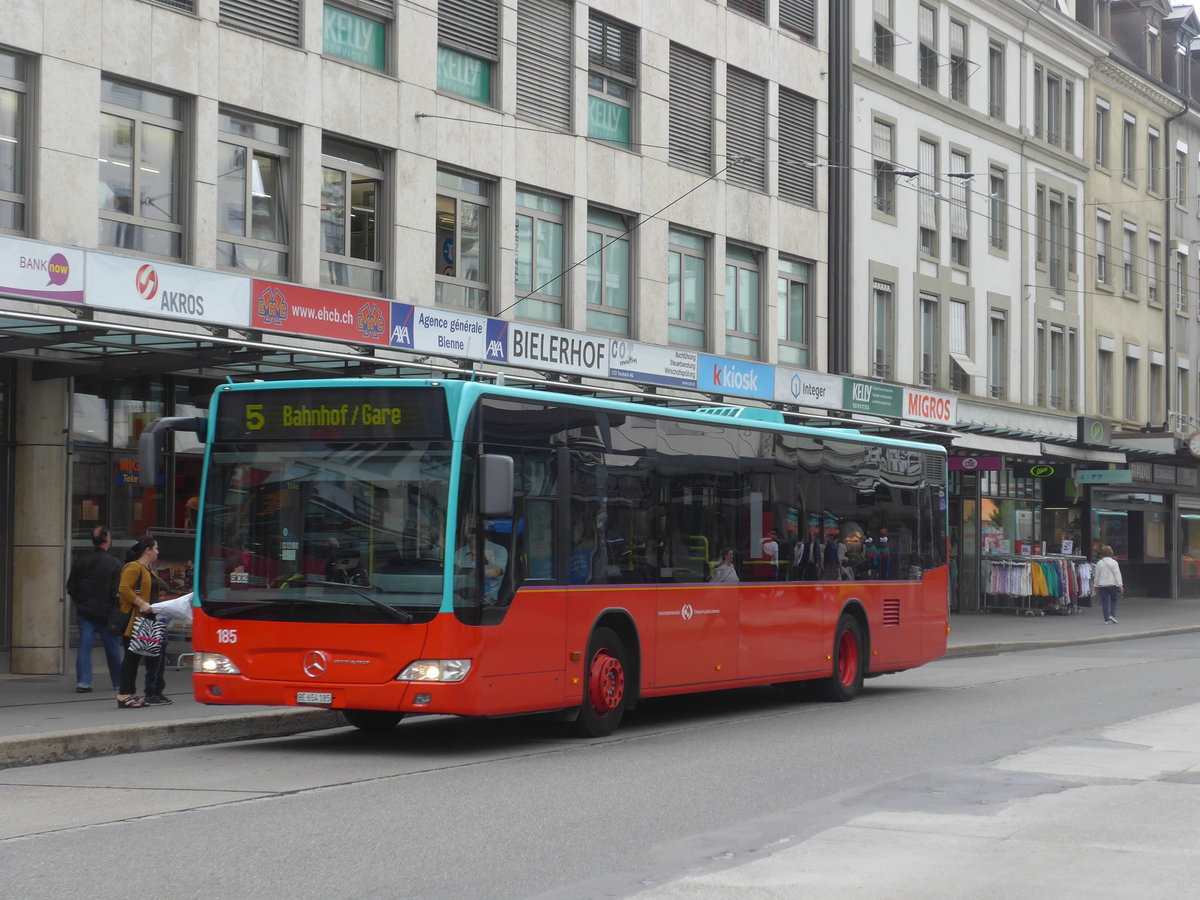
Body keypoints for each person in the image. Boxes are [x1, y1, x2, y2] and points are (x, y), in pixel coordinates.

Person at [66, 525, 123, 693]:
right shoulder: (114, 562)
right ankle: (119, 682)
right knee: (112, 647)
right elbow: (117, 590)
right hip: (106, 613)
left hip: (85, 612)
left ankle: (83, 682)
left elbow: (71, 586)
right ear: (107, 541)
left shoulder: (81, 560)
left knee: (84, 646)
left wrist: (80, 603)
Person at [116, 535, 162, 709]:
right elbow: (124, 589)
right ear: (147, 550)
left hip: (143, 620)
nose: (157, 552)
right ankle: (124, 694)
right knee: (131, 657)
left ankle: (130, 693)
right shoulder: (134, 567)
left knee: (135, 657)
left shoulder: (147, 570)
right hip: (134, 620)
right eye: (155, 548)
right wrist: (141, 603)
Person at [455, 524, 509, 604]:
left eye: (474, 527)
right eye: (468, 526)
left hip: (488, 605)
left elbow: (494, 572)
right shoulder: (458, 553)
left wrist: (463, 572)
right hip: (461, 603)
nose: (472, 530)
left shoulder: (498, 550)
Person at [1094, 545, 1124, 624]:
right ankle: (1112, 615)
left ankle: (1106, 619)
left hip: (1102, 585)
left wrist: (1095, 586)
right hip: (1112, 584)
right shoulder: (1114, 562)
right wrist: (1120, 585)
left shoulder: (1099, 563)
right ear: (1111, 553)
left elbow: (1097, 575)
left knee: (1104, 602)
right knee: (1114, 600)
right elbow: (1117, 574)